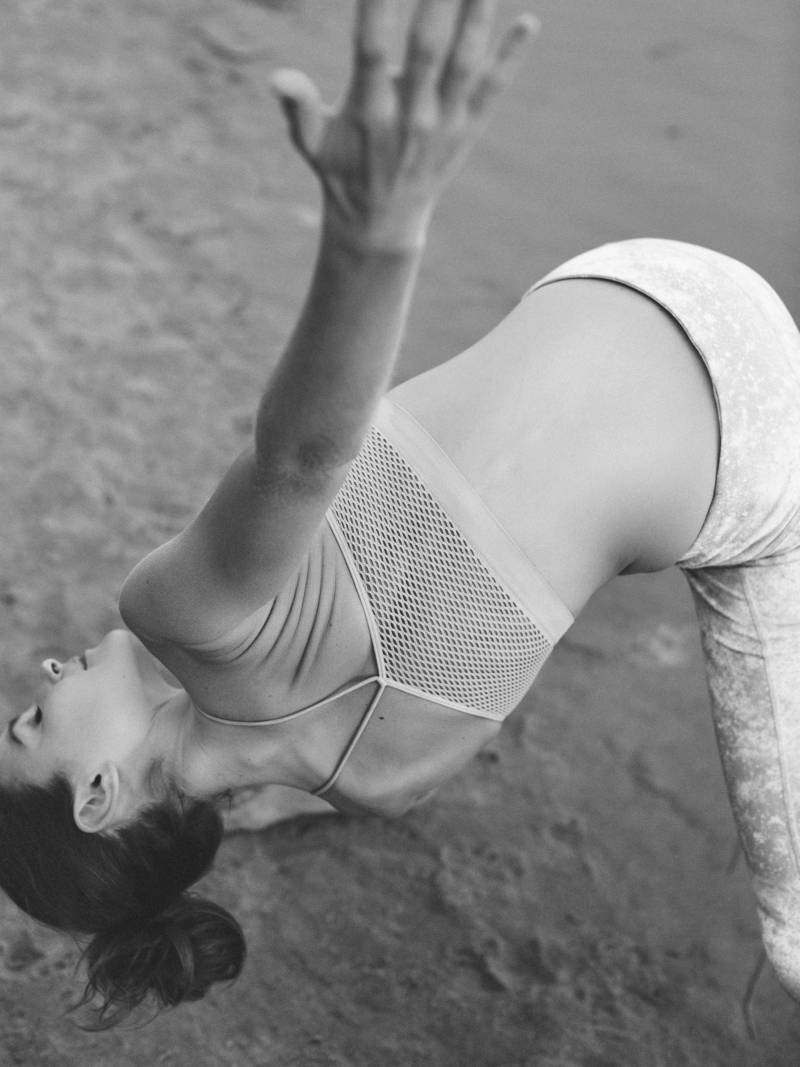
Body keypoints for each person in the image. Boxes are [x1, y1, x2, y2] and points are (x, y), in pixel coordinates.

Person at [1, 0, 798, 1031]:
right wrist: (374, 233)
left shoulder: (379, 780)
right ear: (99, 793)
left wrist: (188, 823)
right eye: (31, 720)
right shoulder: (178, 616)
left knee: (789, 923)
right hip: (648, 293)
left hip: (745, 488)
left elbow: (243, 759)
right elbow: (298, 456)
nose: (47, 675)